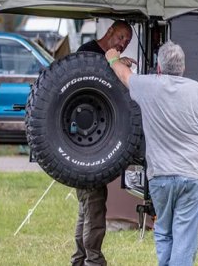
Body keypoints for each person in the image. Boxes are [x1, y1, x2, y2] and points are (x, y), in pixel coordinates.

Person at [106, 40, 198, 266]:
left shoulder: (148, 86)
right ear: (183, 67)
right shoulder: (195, 88)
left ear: (159, 67)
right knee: (184, 238)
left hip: (160, 177)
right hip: (191, 176)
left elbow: (124, 75)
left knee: (164, 232)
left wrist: (112, 58)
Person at [71, 20, 134, 266]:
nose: (122, 44)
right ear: (109, 32)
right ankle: (94, 260)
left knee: (86, 206)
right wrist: (115, 65)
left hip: (85, 144)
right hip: (86, 145)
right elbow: (91, 83)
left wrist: (117, 65)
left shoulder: (103, 57)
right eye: (120, 38)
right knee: (94, 205)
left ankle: (79, 258)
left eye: (127, 42)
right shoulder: (87, 53)